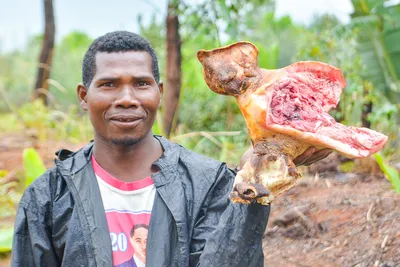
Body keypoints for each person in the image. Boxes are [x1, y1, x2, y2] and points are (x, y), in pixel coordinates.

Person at [11, 31, 331, 267]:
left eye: (141, 83)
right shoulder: (47, 198)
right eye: (109, 84)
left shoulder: (211, 184)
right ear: (83, 96)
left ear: (159, 93)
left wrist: (255, 181)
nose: (126, 98)